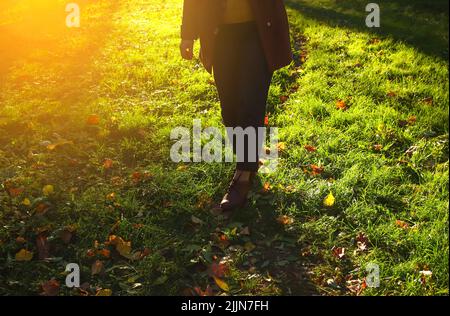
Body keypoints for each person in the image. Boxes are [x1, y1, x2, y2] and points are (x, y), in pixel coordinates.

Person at [180, 0, 292, 214]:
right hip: (220, 33)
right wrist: (188, 33)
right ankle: (248, 159)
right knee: (229, 107)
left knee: (251, 100)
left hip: (258, 31)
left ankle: (243, 173)